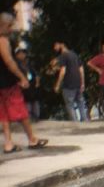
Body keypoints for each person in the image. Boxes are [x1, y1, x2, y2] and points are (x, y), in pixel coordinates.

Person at [0, 13, 47, 152]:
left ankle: (9, 144)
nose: (12, 29)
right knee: (21, 110)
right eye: (11, 25)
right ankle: (32, 139)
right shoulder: (3, 40)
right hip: (8, 82)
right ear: (4, 25)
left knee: (4, 114)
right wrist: (21, 77)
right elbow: (9, 62)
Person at [53, 40, 88, 121]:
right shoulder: (74, 54)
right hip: (78, 83)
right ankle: (85, 121)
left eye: (56, 45)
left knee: (70, 105)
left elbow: (63, 71)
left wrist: (57, 84)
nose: (54, 48)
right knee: (80, 103)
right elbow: (81, 69)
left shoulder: (63, 56)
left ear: (61, 45)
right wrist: (82, 83)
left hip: (68, 84)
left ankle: (75, 123)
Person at [15, 48, 41, 120]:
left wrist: (37, 83)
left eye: (23, 53)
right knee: (26, 103)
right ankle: (28, 117)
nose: (22, 55)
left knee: (35, 101)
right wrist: (20, 84)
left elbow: (36, 74)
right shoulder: (15, 65)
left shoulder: (30, 63)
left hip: (32, 85)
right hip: (23, 87)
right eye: (20, 54)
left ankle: (36, 116)